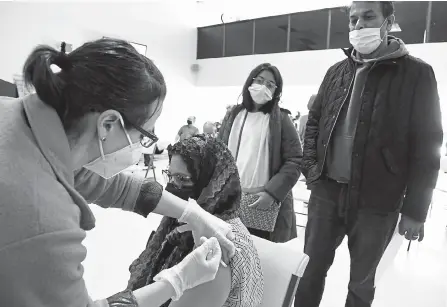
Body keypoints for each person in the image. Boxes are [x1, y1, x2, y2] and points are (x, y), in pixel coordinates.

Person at [0, 38, 237, 307]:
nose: (141, 145)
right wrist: (176, 281)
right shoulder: (42, 220)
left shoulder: (20, 121)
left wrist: (190, 213)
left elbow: (109, 185)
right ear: (109, 124)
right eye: (144, 134)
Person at [295, 2, 442, 307]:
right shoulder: (336, 71)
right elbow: (315, 122)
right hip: (327, 191)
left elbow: (428, 145)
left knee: (361, 284)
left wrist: (415, 210)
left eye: (368, 16)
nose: (359, 25)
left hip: (378, 200)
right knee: (309, 272)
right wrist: (312, 170)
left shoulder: (417, 73)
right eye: (353, 19)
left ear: (389, 22)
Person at [127, 135, 264, 307]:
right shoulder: (182, 222)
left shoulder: (220, 244)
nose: (172, 186)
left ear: (213, 182)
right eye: (170, 175)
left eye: (183, 179)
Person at [218, 63, 302, 242]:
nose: (264, 86)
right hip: (228, 199)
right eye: (260, 80)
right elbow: (216, 153)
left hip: (260, 201)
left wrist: (272, 193)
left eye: (270, 84)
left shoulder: (281, 120)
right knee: (226, 251)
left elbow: (295, 160)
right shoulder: (233, 115)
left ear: (276, 91)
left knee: (256, 254)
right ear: (250, 82)